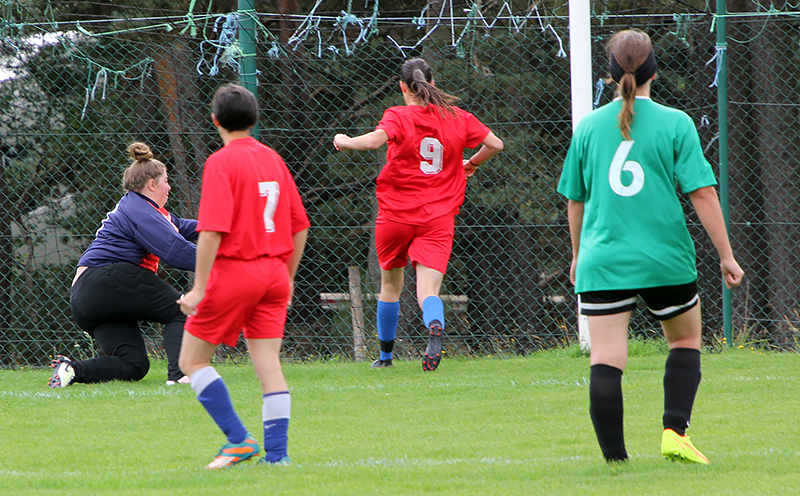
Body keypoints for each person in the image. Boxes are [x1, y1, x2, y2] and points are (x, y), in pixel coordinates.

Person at [557, 29, 745, 464]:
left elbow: (575, 200)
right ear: (653, 72)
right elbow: (702, 193)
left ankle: (615, 461)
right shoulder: (675, 122)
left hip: (603, 261)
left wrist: (577, 255)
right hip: (665, 259)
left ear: (609, 72)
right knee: (685, 341)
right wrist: (726, 255)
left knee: (606, 358)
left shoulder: (588, 127)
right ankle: (673, 433)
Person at [333, 58, 503, 371]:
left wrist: (344, 141)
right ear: (433, 83)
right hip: (438, 217)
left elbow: (373, 141)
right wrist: (473, 164)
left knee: (390, 285)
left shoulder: (397, 115)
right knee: (428, 292)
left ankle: (385, 358)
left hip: (396, 214)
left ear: (402, 87)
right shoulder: (458, 117)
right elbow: (495, 144)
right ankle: (434, 327)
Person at [177, 83, 309, 469]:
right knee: (269, 365)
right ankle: (279, 456)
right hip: (274, 272)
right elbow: (300, 225)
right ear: (253, 119)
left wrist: (199, 288)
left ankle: (238, 440)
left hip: (237, 271)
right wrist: (288, 275)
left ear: (215, 120)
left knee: (192, 361)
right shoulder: (273, 159)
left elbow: (213, 231)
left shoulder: (221, 161)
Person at [49, 142, 198, 388]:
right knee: (180, 310)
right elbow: (176, 251)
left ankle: (72, 370)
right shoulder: (142, 212)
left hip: (85, 299)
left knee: (133, 364)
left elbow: (186, 228)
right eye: (166, 181)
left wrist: (228, 232)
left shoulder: (143, 209)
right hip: (105, 280)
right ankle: (180, 375)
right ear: (152, 184)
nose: (169, 187)